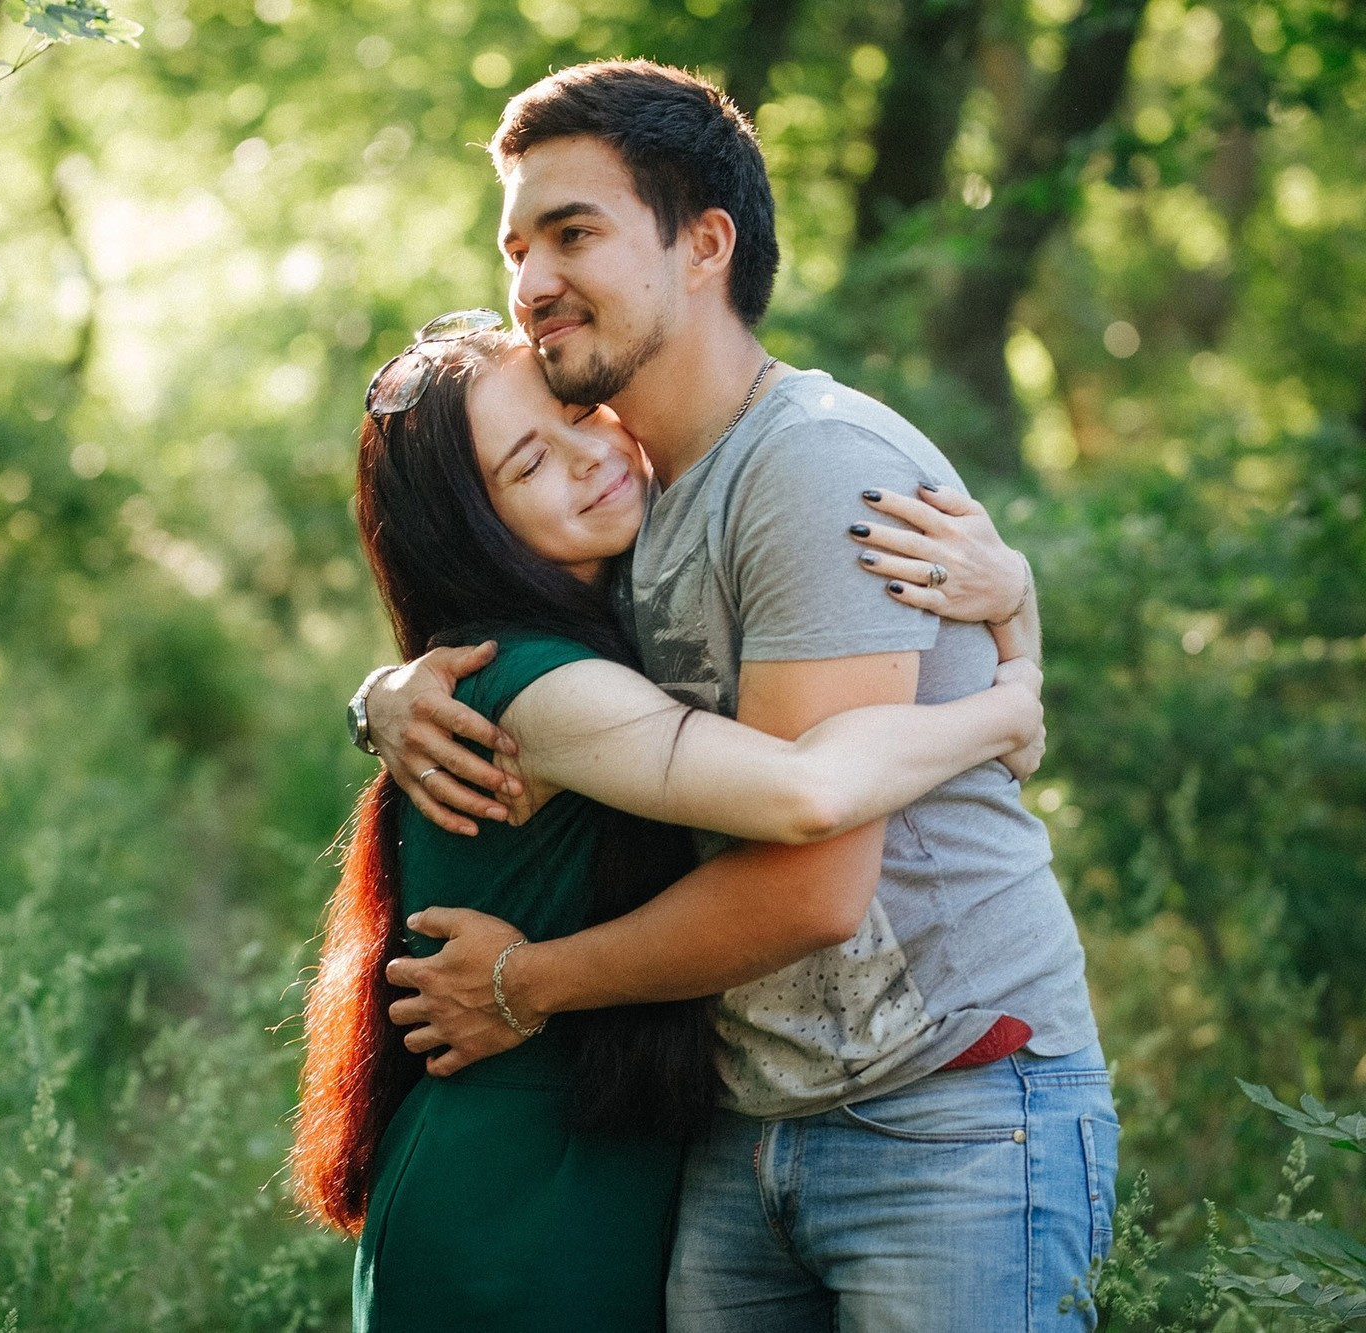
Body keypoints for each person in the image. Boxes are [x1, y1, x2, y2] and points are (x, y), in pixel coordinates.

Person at [358, 61, 1116, 1331]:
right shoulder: (635, 489)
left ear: (702, 243)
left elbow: (809, 881)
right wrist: (382, 694)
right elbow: (530, 644)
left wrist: (526, 983)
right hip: (743, 1119)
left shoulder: (810, 469)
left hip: (945, 1112)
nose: (531, 278)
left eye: (573, 231)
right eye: (516, 244)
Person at [294, 318, 1048, 1332]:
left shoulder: (627, 620)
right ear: (475, 529)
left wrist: (1013, 589)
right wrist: (1002, 704)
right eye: (529, 464)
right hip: (522, 1191)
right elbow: (801, 795)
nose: (589, 457)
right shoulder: (530, 684)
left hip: (618, 1144)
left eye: (577, 415)